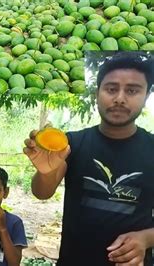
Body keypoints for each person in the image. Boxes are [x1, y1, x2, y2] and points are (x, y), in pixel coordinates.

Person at [23, 52, 154, 266]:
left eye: (132, 90)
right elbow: (41, 193)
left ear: (146, 96)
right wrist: (45, 173)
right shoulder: (73, 143)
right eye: (111, 89)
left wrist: (146, 239)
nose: (120, 98)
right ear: (97, 93)